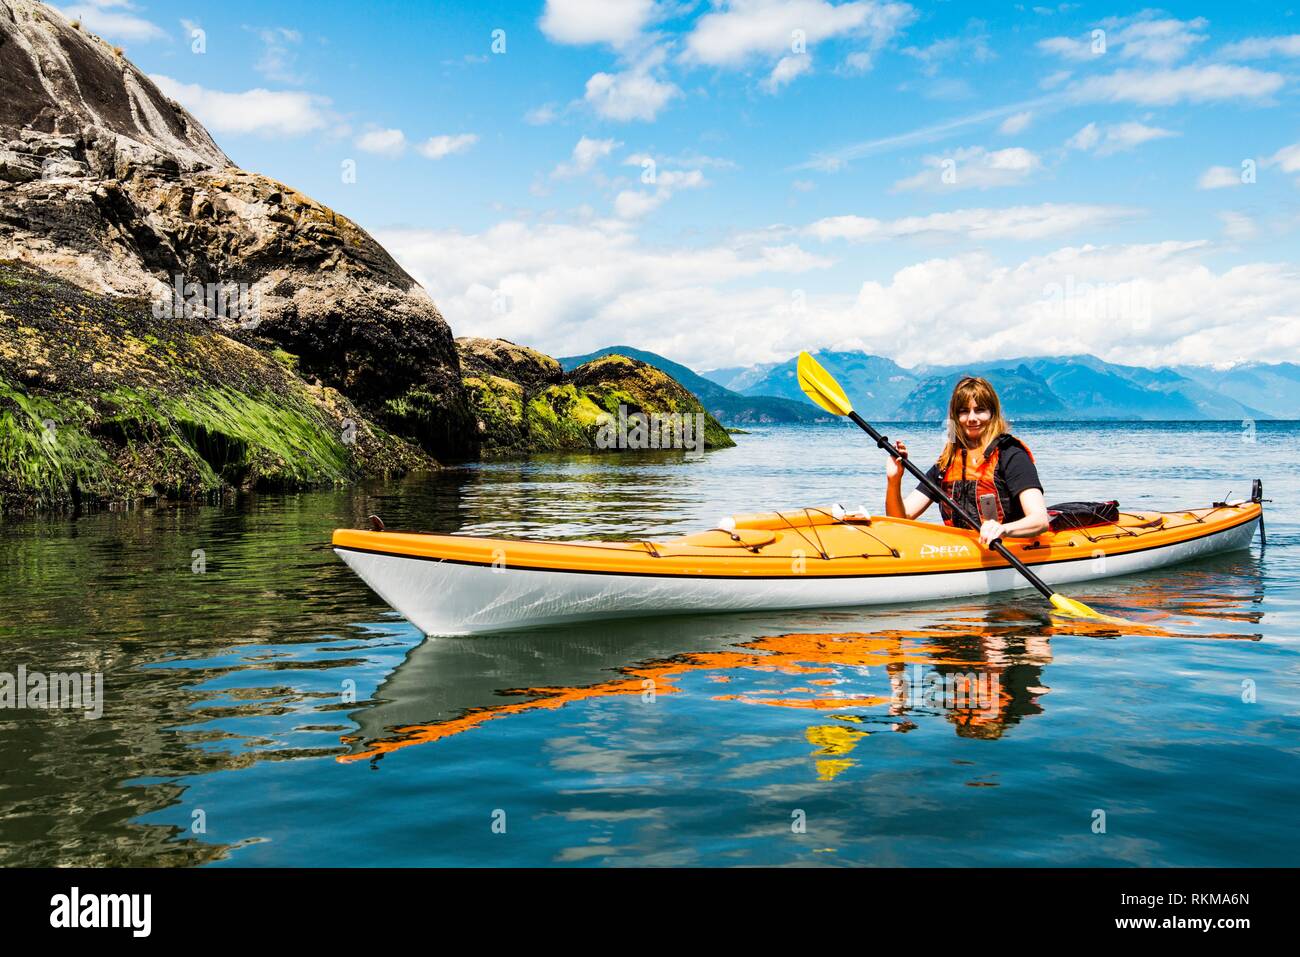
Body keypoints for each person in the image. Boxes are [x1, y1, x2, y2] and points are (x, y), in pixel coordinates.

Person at [885, 376, 1049, 547]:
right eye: (964, 411)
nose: (971, 418)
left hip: (1010, 547)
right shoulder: (946, 463)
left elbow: (1039, 520)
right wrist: (894, 480)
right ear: (956, 417)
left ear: (992, 414)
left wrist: (1003, 529)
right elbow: (900, 519)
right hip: (963, 550)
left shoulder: (1011, 456)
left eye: (980, 410)